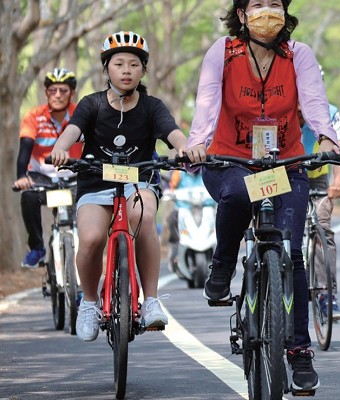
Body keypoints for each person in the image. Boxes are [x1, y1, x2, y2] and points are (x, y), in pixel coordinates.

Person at [184, 0, 340, 393]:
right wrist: (196, 144)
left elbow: (315, 104)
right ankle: (222, 264)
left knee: (292, 252)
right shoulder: (221, 53)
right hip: (227, 161)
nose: (267, 12)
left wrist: (331, 141)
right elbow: (206, 104)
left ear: (286, 13)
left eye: (275, 5)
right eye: (258, 5)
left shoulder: (299, 55)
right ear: (241, 14)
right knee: (239, 192)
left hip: (286, 164)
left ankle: (298, 351)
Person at [49, 31, 187, 342]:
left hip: (140, 180)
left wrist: (186, 148)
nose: (126, 70)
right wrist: (60, 149)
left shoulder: (152, 106)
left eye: (134, 64)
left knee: (144, 217)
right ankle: (89, 302)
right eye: (119, 64)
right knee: (92, 238)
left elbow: (173, 133)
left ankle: (150, 300)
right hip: (95, 182)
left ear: (143, 70)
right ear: (106, 69)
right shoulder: (91, 104)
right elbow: (72, 131)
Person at [14, 68, 84, 268]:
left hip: (74, 178)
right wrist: (21, 176)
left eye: (63, 90)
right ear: (46, 93)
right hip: (42, 177)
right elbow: (25, 148)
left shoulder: (81, 114)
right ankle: (37, 248)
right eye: (53, 90)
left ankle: (79, 274)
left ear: (72, 93)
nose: (58, 95)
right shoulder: (33, 116)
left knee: (88, 211)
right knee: (28, 195)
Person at [299, 65, 340, 321]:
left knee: (322, 228)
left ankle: (326, 294)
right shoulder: (273, 110)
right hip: (281, 179)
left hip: (317, 182)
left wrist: (337, 182)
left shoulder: (330, 113)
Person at [164, 169, 216, 272]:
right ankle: (175, 252)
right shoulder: (178, 173)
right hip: (183, 209)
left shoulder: (209, 170)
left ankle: (224, 256)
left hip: (206, 208)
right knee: (172, 218)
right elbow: (168, 185)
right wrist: (167, 191)